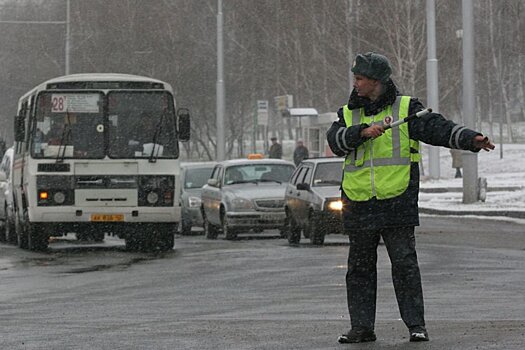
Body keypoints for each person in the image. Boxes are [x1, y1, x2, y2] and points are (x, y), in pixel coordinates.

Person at [326, 52, 494, 344]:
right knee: (360, 270)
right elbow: (335, 141)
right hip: (359, 203)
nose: (356, 83)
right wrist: (360, 133)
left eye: (361, 78)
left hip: (397, 201)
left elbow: (437, 128)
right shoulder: (348, 113)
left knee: (405, 266)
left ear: (377, 81)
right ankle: (361, 328)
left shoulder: (406, 109)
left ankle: (416, 325)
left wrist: (470, 139)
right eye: (355, 78)